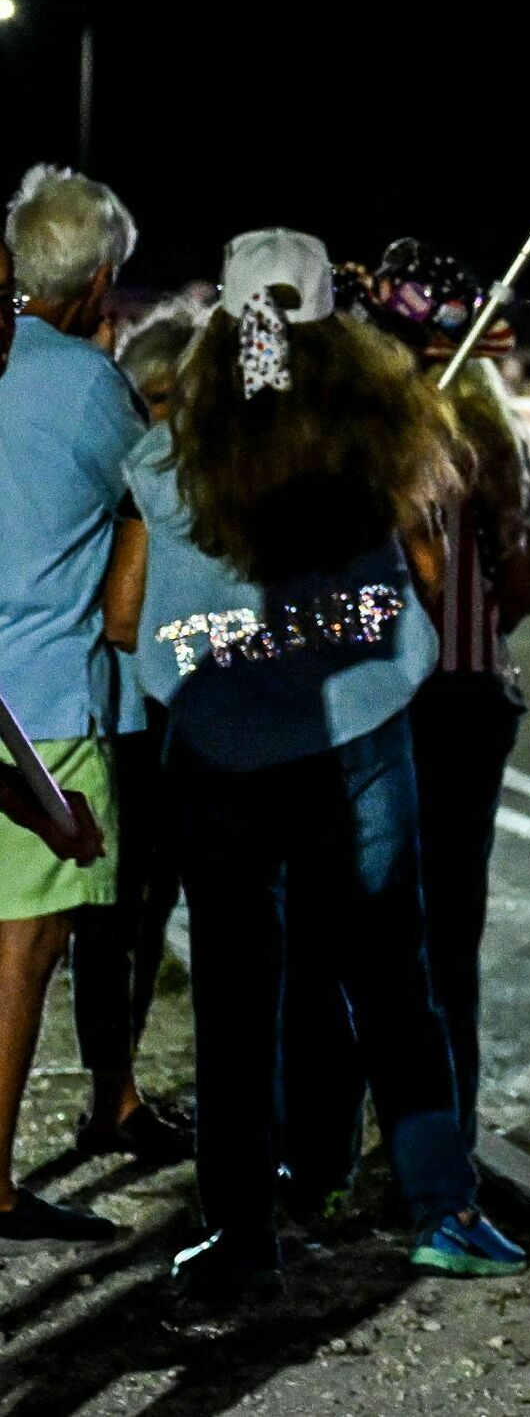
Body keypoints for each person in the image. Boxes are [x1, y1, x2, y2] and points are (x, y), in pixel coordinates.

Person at [120, 229, 526, 1307]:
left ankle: (245, 1230)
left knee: (238, 992)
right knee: (396, 973)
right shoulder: (374, 442)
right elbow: (434, 575)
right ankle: (444, 1206)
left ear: (221, 333)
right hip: (358, 733)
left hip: (219, 750)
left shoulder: (168, 457)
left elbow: (133, 612)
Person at [280, 242, 530, 1200]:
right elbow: (524, 584)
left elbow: (417, 591)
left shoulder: (382, 437)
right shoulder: (491, 431)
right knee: (448, 941)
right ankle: (442, 1145)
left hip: (397, 701)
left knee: (353, 934)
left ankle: (329, 1148)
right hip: (477, 702)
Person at [0, 170, 148, 1244]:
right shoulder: (93, 388)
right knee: (20, 951)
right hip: (43, 702)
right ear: (101, 277)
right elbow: (164, 500)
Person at [82, 299, 206, 1167]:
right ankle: (112, 1090)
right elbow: (125, 616)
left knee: (149, 904)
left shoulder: (182, 478)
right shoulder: (134, 478)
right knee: (119, 911)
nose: (158, 420)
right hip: (131, 712)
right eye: (149, 400)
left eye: (173, 401)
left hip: (165, 708)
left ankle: (115, 1088)